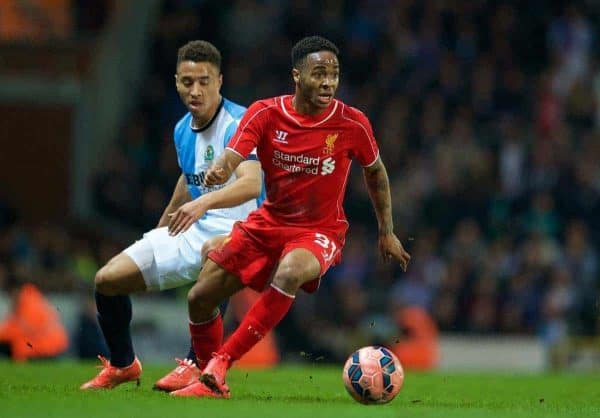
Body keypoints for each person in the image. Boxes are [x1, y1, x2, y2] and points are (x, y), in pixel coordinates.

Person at [171, 36, 411, 398]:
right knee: (199, 297)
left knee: (290, 271)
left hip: (319, 231)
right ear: (297, 76)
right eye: (319, 73)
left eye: (334, 74)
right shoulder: (266, 113)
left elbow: (375, 172)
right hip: (268, 223)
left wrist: (387, 231)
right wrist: (220, 169)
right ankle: (208, 380)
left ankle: (221, 362)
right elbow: (234, 155)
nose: (329, 82)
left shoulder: (352, 123)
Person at [80, 40, 263, 391]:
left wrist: (203, 204)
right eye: (187, 81)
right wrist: (163, 228)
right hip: (194, 225)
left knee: (215, 255)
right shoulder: (182, 129)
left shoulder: (238, 123)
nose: (195, 90)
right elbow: (188, 176)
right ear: (176, 82)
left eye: (204, 81)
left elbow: (252, 185)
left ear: (220, 81)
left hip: (244, 228)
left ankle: (196, 366)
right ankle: (123, 365)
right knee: (107, 280)